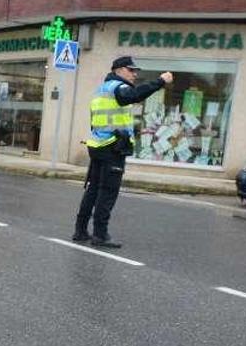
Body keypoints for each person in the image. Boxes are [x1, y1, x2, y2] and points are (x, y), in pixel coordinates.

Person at [73, 56, 173, 248]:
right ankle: (100, 235)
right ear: (118, 70)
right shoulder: (118, 88)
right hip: (112, 147)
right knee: (107, 192)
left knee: (93, 190)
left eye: (135, 71)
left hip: (98, 146)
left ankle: (80, 230)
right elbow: (134, 95)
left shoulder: (101, 90)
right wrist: (160, 81)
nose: (135, 74)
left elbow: (96, 121)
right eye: (131, 70)